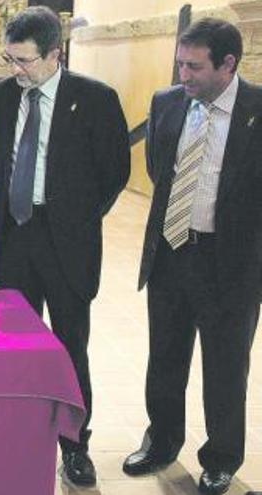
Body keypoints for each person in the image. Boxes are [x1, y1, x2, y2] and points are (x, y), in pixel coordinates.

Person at [0, 5, 129, 487]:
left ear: (55, 55)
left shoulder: (95, 99)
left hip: (66, 243)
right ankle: (16, 434)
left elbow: (114, 171)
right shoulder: (2, 98)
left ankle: (75, 446)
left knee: (68, 346)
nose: (15, 70)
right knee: (15, 344)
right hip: (15, 237)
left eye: (24, 61)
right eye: (9, 59)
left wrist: (76, 218)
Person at [124, 18, 261, 495]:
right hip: (171, 255)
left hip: (231, 267)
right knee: (164, 358)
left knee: (225, 368)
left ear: (228, 64)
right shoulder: (167, 103)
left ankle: (221, 458)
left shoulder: (257, 110)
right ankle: (161, 442)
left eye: (194, 67)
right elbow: (162, 171)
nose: (183, 75)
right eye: (180, 63)